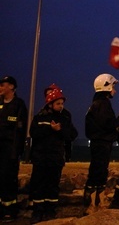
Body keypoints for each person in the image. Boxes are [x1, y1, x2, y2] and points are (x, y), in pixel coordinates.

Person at [29, 88, 78, 223]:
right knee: (39, 184)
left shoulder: (65, 117)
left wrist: (60, 130)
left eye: (62, 103)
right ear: (50, 104)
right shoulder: (40, 116)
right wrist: (48, 128)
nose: (61, 106)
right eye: (58, 103)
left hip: (55, 158)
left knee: (52, 185)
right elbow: (33, 133)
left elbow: (72, 135)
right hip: (40, 157)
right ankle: (38, 211)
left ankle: (50, 210)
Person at [83, 73, 118, 215]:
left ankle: (95, 201)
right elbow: (107, 125)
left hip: (99, 142)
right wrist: (118, 128)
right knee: (98, 172)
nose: (114, 90)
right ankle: (94, 204)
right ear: (107, 86)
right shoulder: (103, 104)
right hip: (102, 143)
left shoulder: (96, 104)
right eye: (113, 86)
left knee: (97, 170)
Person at [0, 76, 27, 222]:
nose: (0, 88)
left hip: (10, 150)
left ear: (11, 87)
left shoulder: (18, 105)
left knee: (8, 179)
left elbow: (20, 131)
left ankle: (9, 210)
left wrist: (16, 151)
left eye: (2, 85)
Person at [43, 84, 77, 162]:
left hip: (59, 152)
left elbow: (71, 134)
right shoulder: (42, 114)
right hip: (44, 154)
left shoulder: (65, 115)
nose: (49, 96)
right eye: (47, 94)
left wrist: (60, 130)